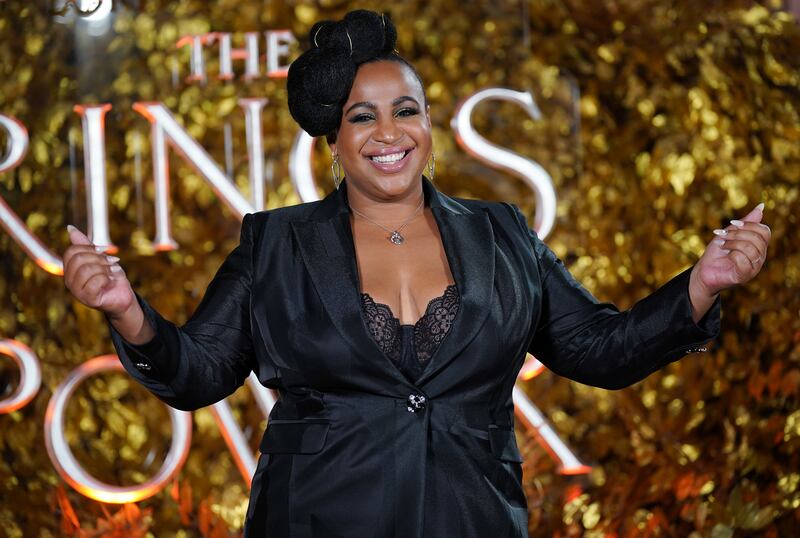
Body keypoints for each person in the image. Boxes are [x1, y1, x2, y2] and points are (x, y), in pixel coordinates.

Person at [63, 9, 771, 537]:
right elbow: (199, 372)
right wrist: (127, 309)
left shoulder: (503, 233)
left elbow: (598, 348)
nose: (388, 133)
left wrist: (702, 283)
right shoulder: (275, 243)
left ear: (430, 123)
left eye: (406, 110)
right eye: (361, 117)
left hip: (472, 518)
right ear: (334, 141)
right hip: (316, 520)